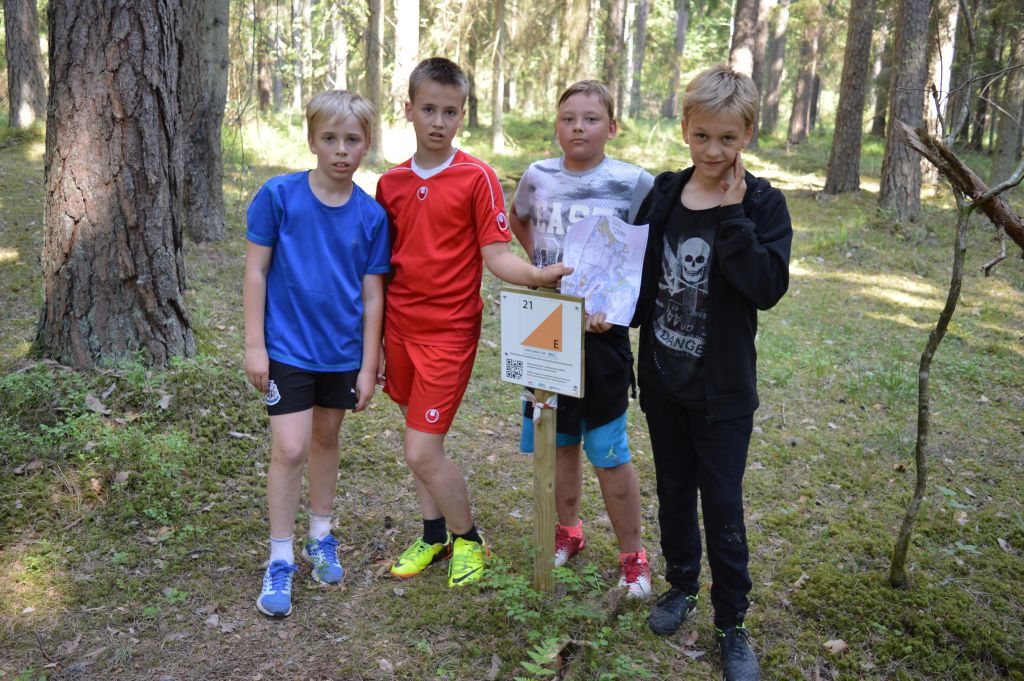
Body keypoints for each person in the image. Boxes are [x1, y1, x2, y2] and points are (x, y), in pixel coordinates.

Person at [375, 57, 571, 588]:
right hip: (399, 329)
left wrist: (536, 275)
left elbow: (496, 254)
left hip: (449, 333)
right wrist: (375, 343)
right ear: (409, 110)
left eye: (450, 111)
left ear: (463, 114)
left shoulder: (476, 176)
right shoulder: (390, 183)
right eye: (428, 109)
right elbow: (380, 267)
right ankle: (433, 535)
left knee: (421, 449)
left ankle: (468, 538)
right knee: (419, 445)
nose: (438, 121)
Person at [631, 66, 792, 681]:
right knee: (674, 490)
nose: (714, 150)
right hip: (664, 380)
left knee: (721, 504)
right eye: (702, 136)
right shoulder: (666, 193)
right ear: (685, 129)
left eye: (727, 138)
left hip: (722, 392)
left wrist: (732, 217)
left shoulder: (763, 204)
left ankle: (732, 623)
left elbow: (766, 287)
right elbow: (642, 277)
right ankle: (680, 585)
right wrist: (609, 312)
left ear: (747, 134)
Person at [243, 90, 389, 617]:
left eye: (352, 140)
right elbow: (256, 271)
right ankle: (280, 556)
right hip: (287, 348)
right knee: (289, 448)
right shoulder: (278, 197)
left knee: (327, 437)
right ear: (311, 140)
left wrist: (369, 365)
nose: (341, 150)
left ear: (366, 145)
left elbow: (373, 297)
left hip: (342, 354)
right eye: (330, 138)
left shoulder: (372, 216)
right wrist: (255, 345)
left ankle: (320, 535)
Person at [508, 80, 654, 598]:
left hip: (601, 336)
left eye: (591, 119)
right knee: (557, 439)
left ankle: (633, 557)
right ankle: (568, 532)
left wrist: (616, 304)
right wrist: (539, 265)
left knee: (607, 449)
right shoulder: (538, 176)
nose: (578, 128)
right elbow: (518, 218)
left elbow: (646, 248)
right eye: (568, 118)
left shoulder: (633, 182)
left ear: (611, 127)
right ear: (556, 125)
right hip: (544, 324)